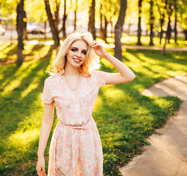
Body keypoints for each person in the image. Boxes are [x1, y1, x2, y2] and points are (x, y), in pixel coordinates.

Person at [36, 32, 135, 176]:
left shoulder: (93, 77)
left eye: (83, 51)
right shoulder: (52, 83)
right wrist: (40, 156)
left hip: (88, 137)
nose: (78, 55)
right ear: (66, 51)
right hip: (64, 139)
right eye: (74, 49)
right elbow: (46, 121)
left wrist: (106, 55)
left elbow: (129, 76)